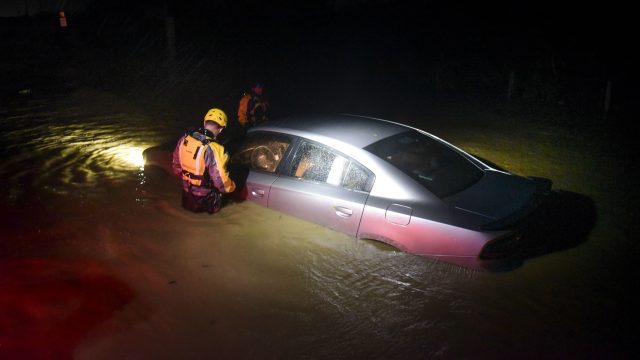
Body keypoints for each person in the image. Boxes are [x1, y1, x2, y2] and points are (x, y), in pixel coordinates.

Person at [172, 108, 236, 214]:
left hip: (186, 194)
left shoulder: (184, 139)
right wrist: (232, 187)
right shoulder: (215, 149)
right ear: (221, 129)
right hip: (206, 199)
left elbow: (176, 167)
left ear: (204, 122)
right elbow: (221, 182)